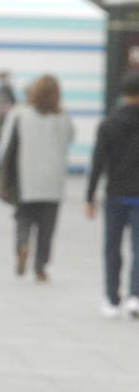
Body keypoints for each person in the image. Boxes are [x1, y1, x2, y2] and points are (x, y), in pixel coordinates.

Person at [0, 75, 73, 282]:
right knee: (47, 227)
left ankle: (22, 245)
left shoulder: (19, 113)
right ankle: (40, 267)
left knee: (23, 218)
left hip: (26, 177)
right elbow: (69, 139)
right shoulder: (63, 116)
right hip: (53, 181)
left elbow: (5, 144)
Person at [86, 69, 139, 319]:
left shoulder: (108, 123)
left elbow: (97, 163)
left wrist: (89, 197)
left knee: (112, 247)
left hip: (115, 194)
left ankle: (111, 298)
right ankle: (136, 297)